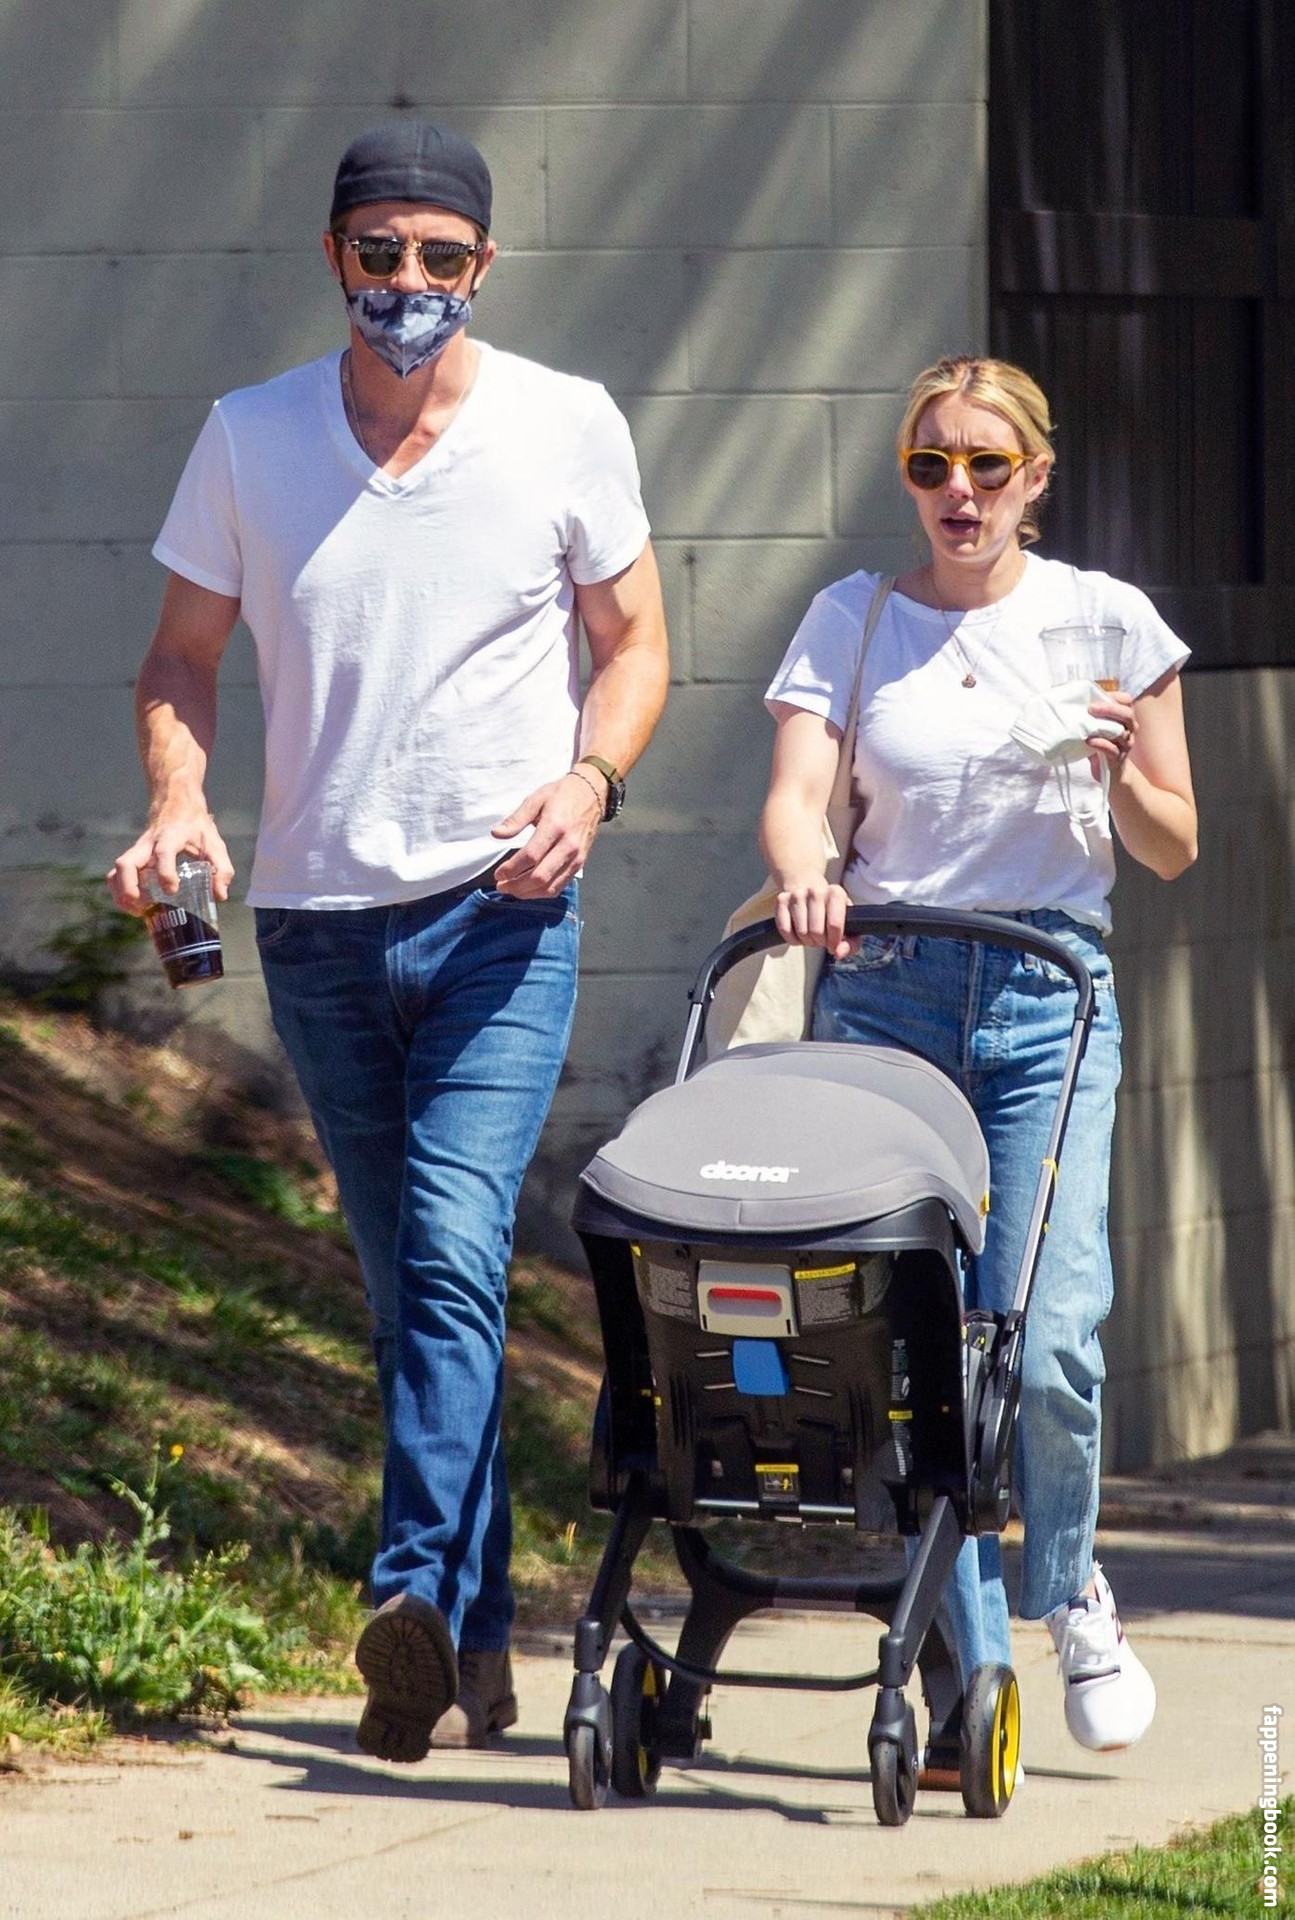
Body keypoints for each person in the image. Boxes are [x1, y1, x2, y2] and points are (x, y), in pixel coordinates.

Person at [107, 120, 669, 1762]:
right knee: (412, 1293)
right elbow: (180, 655)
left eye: (440, 256)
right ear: (333, 255)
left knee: (449, 1258)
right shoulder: (250, 436)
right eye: (379, 252)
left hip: (505, 913)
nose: (407, 282)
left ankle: (405, 1592)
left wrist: (591, 781)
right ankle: (475, 1645)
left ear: (484, 265)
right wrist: (178, 795)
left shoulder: (565, 423)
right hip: (319, 928)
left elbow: (637, 644)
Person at [758, 355, 1196, 1752]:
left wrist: (1116, 770)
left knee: (1045, 1334)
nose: (959, 490)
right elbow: (797, 799)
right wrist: (807, 872)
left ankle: (1071, 1592)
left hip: (1047, 995)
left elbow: (1176, 846)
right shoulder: (852, 619)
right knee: (915, 1348)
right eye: (930, 464)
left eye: (987, 465)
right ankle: (972, 1667)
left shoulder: (1108, 622)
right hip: (886, 993)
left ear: (1035, 478)